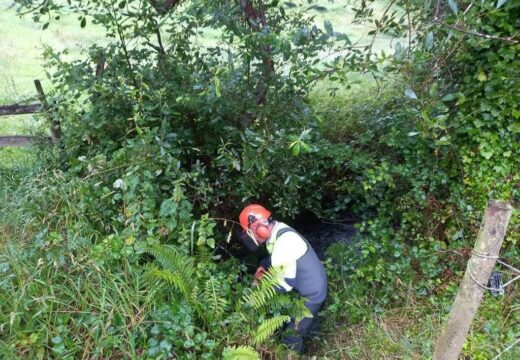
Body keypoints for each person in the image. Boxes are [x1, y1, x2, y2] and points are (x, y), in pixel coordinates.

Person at [239, 204, 328, 354]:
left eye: (250, 232)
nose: (251, 237)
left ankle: (294, 355)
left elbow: (285, 284)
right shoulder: (279, 230)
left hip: (313, 295)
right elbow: (276, 258)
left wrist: (259, 291)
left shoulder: (283, 242)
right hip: (309, 283)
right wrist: (263, 266)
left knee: (290, 336)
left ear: (260, 228)